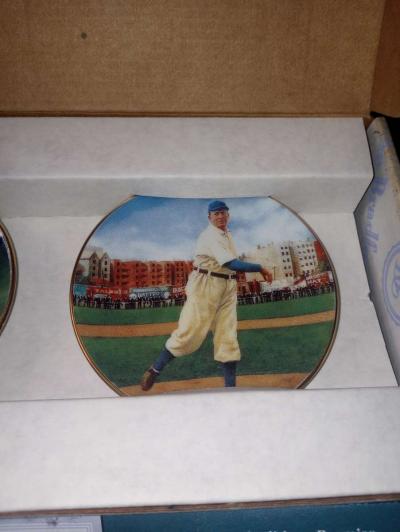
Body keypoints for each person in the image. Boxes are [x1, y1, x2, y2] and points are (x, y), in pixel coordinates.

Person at [140, 200, 272, 391]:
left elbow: (230, 266)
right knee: (189, 334)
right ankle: (155, 369)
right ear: (209, 217)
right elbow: (231, 264)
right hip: (205, 284)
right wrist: (259, 267)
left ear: (228, 215)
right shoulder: (210, 235)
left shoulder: (227, 234)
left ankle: (230, 390)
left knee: (227, 338)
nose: (220, 216)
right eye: (216, 213)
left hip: (227, 285)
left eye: (223, 212)